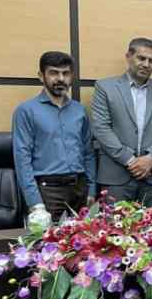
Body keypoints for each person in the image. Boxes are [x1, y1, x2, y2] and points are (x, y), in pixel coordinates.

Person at [90, 37, 152, 207]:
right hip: (115, 176)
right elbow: (101, 128)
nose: (146, 64)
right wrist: (131, 161)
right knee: (113, 224)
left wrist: (151, 158)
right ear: (128, 57)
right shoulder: (105, 87)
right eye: (141, 58)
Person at [11, 51, 96, 220]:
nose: (60, 78)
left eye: (65, 73)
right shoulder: (26, 111)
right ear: (41, 76)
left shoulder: (79, 111)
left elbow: (88, 153)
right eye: (53, 73)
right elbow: (22, 159)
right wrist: (34, 202)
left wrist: (91, 189)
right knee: (48, 238)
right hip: (47, 192)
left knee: (85, 236)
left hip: (80, 190)